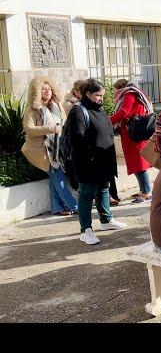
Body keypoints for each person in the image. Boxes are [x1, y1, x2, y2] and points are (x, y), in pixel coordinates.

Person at [68, 78, 126, 245]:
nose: (101, 98)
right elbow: (77, 138)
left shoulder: (98, 108)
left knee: (103, 189)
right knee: (87, 194)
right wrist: (89, 157)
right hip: (89, 163)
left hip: (104, 160)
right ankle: (85, 230)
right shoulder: (79, 111)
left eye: (102, 95)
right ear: (87, 94)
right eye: (98, 95)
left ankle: (106, 220)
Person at [21, 76, 78, 216]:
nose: (47, 91)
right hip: (43, 150)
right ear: (37, 92)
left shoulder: (56, 106)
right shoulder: (32, 110)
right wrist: (50, 129)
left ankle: (57, 207)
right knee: (58, 176)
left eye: (49, 89)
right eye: (43, 89)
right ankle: (74, 205)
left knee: (55, 177)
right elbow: (28, 129)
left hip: (58, 148)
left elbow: (64, 123)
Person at [109, 79, 154, 203]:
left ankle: (146, 193)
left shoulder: (129, 94)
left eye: (115, 90)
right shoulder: (137, 92)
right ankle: (144, 190)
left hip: (132, 133)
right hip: (136, 132)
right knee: (139, 162)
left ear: (120, 88)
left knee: (138, 164)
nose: (115, 93)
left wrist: (108, 121)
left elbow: (124, 112)